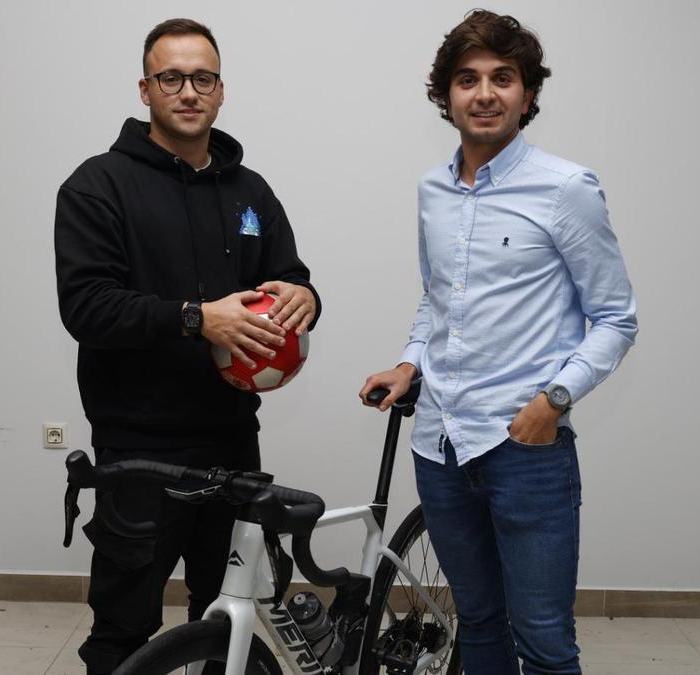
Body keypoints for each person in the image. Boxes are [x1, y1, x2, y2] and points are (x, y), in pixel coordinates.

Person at [359, 10, 637, 674]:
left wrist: (553, 400)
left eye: (502, 78)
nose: (484, 93)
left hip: (525, 451)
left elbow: (617, 318)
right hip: (441, 446)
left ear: (528, 94)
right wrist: (408, 362)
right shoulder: (433, 190)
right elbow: (438, 302)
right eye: (467, 79)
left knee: (542, 639)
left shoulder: (566, 188)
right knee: (477, 624)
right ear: (447, 96)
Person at [54, 17, 319, 674]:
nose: (188, 91)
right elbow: (87, 307)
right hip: (141, 452)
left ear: (221, 89)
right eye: (171, 77)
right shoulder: (97, 186)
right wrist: (199, 320)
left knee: (228, 614)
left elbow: (290, 275)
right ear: (145, 89)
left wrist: (305, 298)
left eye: (202, 77)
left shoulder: (250, 192)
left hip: (233, 442)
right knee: (124, 628)